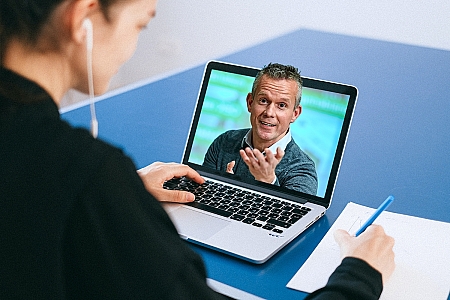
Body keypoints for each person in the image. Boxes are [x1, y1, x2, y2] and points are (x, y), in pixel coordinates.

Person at [0, 0, 394, 299]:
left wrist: (126, 189)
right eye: (140, 24)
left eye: (280, 106)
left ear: (295, 114)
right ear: (82, 17)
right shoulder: (91, 175)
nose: (133, 46)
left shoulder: (300, 165)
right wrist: (360, 272)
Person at [203, 63, 318, 195]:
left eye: (281, 105)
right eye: (263, 101)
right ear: (250, 103)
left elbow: (291, 215)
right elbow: (203, 194)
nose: (269, 112)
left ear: (295, 114)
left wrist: (268, 181)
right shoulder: (224, 141)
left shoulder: (302, 169)